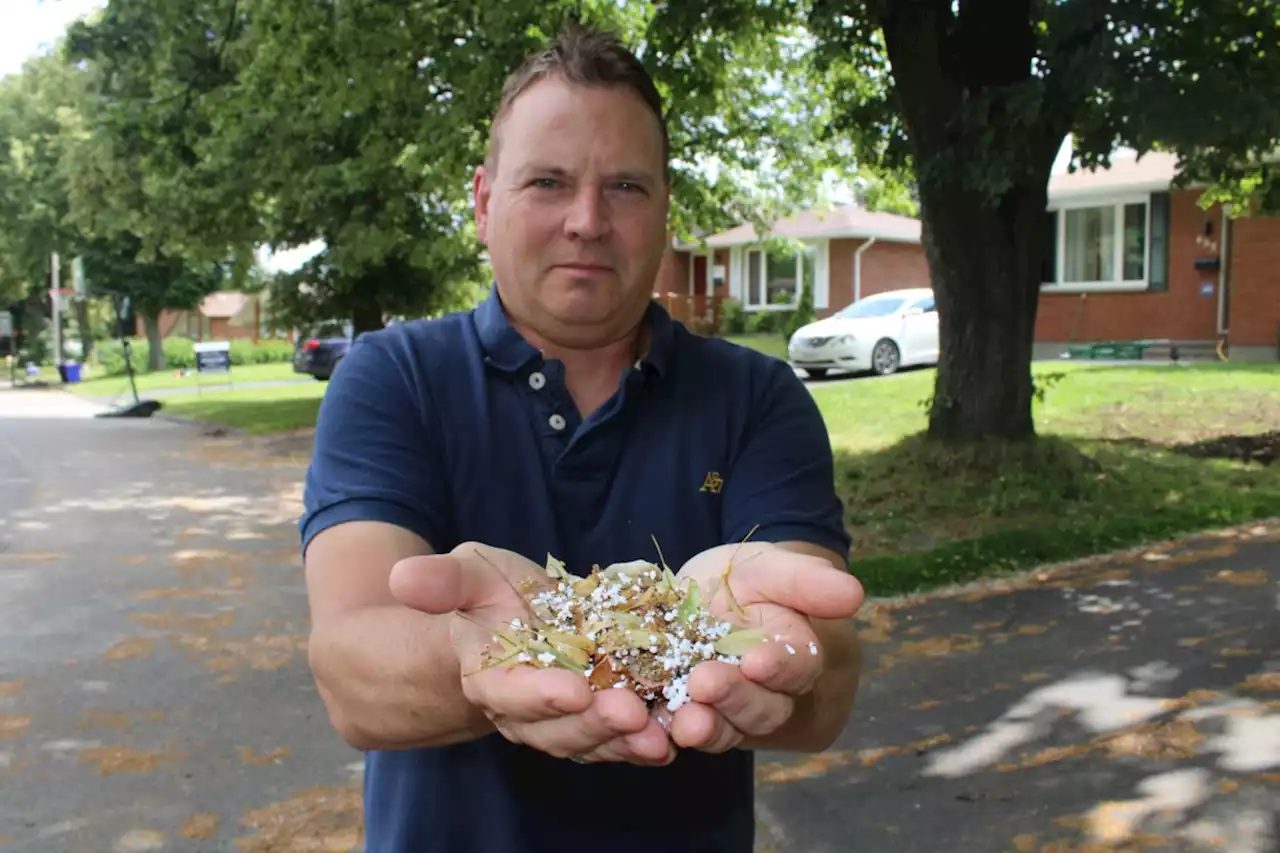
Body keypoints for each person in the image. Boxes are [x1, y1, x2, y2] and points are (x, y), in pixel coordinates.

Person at [299, 23, 865, 853]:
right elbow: (351, 671)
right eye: (549, 182)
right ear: (485, 200)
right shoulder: (392, 378)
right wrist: (482, 656)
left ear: (667, 206)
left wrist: (781, 655)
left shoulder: (758, 396)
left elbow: (830, 680)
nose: (588, 220)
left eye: (627, 186)